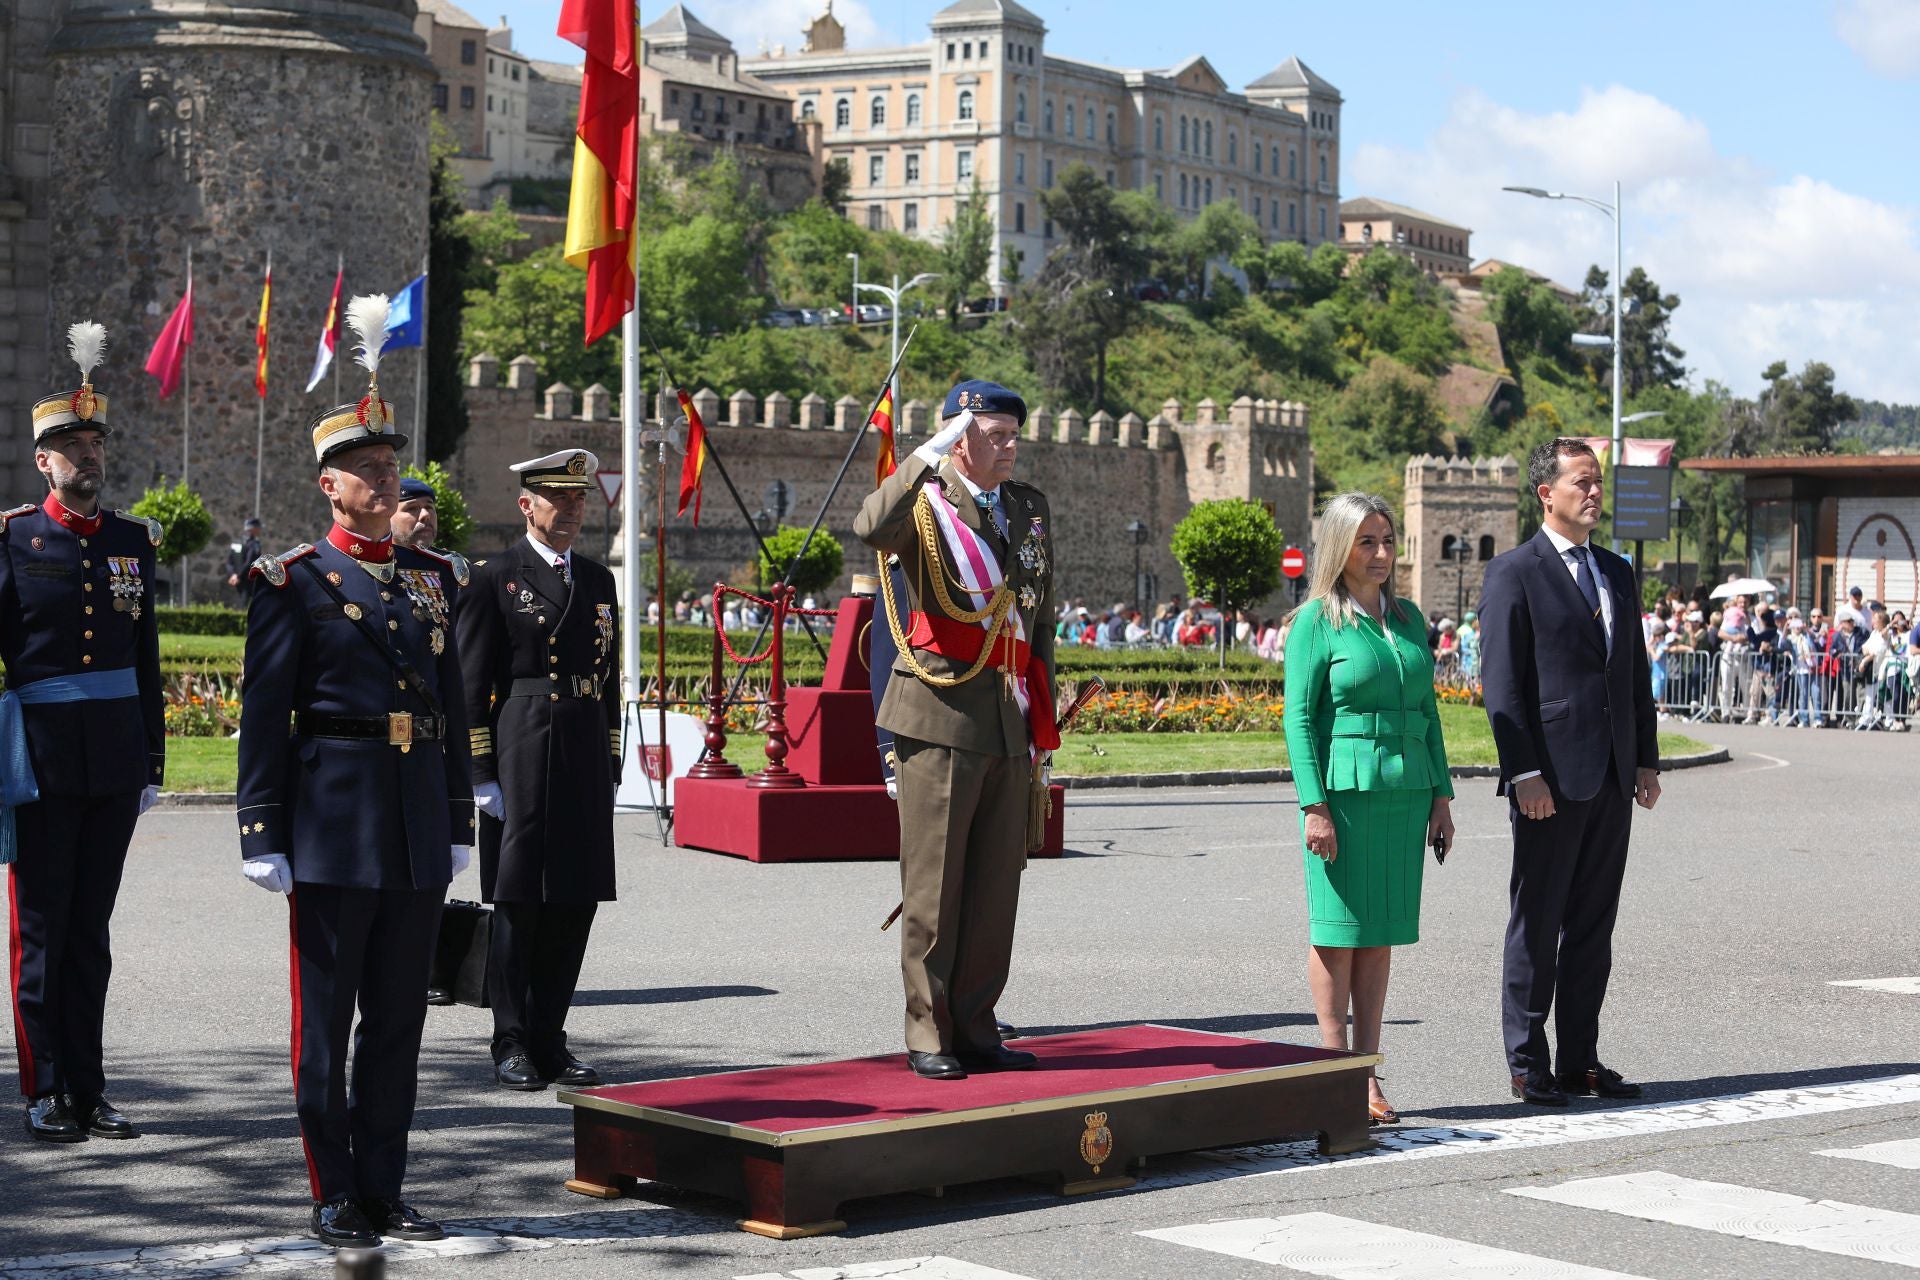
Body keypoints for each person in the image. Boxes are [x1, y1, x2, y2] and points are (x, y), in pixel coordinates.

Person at [235, 297, 474, 1249]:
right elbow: (263, 713)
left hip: (414, 816)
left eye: (391, 466)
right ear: (329, 485)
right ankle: (331, 1188)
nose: (387, 479)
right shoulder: (291, 581)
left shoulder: (434, 577)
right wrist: (261, 827)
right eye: (368, 469)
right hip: (333, 817)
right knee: (326, 1025)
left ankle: (383, 1184)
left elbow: (451, 705)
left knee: (399, 1029)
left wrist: (458, 813)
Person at [855, 379, 1057, 1081]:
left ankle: (976, 1025)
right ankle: (927, 1030)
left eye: (1012, 434)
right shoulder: (925, 502)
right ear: (959, 438)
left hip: (1007, 716)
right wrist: (926, 454)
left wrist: (1042, 721)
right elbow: (868, 526)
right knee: (935, 891)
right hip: (938, 715)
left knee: (995, 890)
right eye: (993, 434)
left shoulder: (1029, 508)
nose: (1009, 446)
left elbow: (1042, 623)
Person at [2, 322, 164, 1143]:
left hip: (112, 761)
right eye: (71, 446)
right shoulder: (14, 539)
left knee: (90, 935)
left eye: (95, 443)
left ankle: (91, 1086)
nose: (87, 457)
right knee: (41, 932)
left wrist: (152, 760)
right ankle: (45, 1085)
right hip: (40, 762)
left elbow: (145, 661)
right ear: (44, 462)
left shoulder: (135, 542)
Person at [1480, 438, 1660, 1107]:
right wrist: (1523, 770)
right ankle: (1529, 1061)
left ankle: (1581, 1057)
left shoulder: (1616, 572)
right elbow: (1502, 686)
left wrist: (1645, 758)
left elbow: (1632, 674)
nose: (1594, 492)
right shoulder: (1514, 572)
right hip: (1548, 780)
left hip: (1612, 776)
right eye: (1581, 482)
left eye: (1599, 482)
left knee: (1592, 927)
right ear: (1545, 493)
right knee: (1538, 920)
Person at [1282, 493, 1453, 1127]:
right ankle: (1335, 1074)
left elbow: (1430, 713)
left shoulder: (1408, 619)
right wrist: (1313, 806)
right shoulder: (1314, 623)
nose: (1381, 554)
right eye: (1367, 542)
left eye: (1387, 540)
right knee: (1338, 930)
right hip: (1343, 792)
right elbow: (1298, 721)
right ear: (1340, 547)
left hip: (1406, 792)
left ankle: (1368, 1069)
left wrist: (1441, 795)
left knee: (1380, 933)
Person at [457, 449, 620, 1091]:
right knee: (519, 900)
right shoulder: (495, 576)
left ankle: (550, 1033)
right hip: (522, 741)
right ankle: (511, 1036)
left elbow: (606, 680)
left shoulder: (599, 581)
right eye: (561, 499)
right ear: (527, 504)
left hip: (580, 745)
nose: (574, 510)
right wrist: (480, 772)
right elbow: (473, 681)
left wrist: (610, 757)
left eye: (581, 499)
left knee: (576, 899)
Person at [390, 476, 438, 550]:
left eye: (429, 507)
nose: (426, 514)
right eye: (412, 508)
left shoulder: (450, 561)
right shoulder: (372, 560)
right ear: (388, 517)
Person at [226, 516, 263, 597]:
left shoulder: (237, 542)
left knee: (238, 606)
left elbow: (229, 562)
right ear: (253, 529)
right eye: (258, 527)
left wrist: (233, 575)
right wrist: (238, 576)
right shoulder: (254, 544)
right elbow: (249, 562)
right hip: (249, 581)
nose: (260, 530)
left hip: (236, 580)